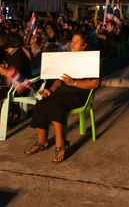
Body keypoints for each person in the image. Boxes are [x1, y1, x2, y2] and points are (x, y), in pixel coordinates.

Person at [25, 33, 100, 163]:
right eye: (72, 41)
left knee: (56, 106)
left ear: (84, 46)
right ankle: (42, 141)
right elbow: (59, 80)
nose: (73, 43)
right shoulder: (66, 58)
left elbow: (95, 83)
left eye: (77, 42)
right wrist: (51, 90)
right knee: (41, 104)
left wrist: (74, 83)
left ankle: (61, 144)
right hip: (63, 91)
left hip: (80, 92)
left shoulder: (90, 59)